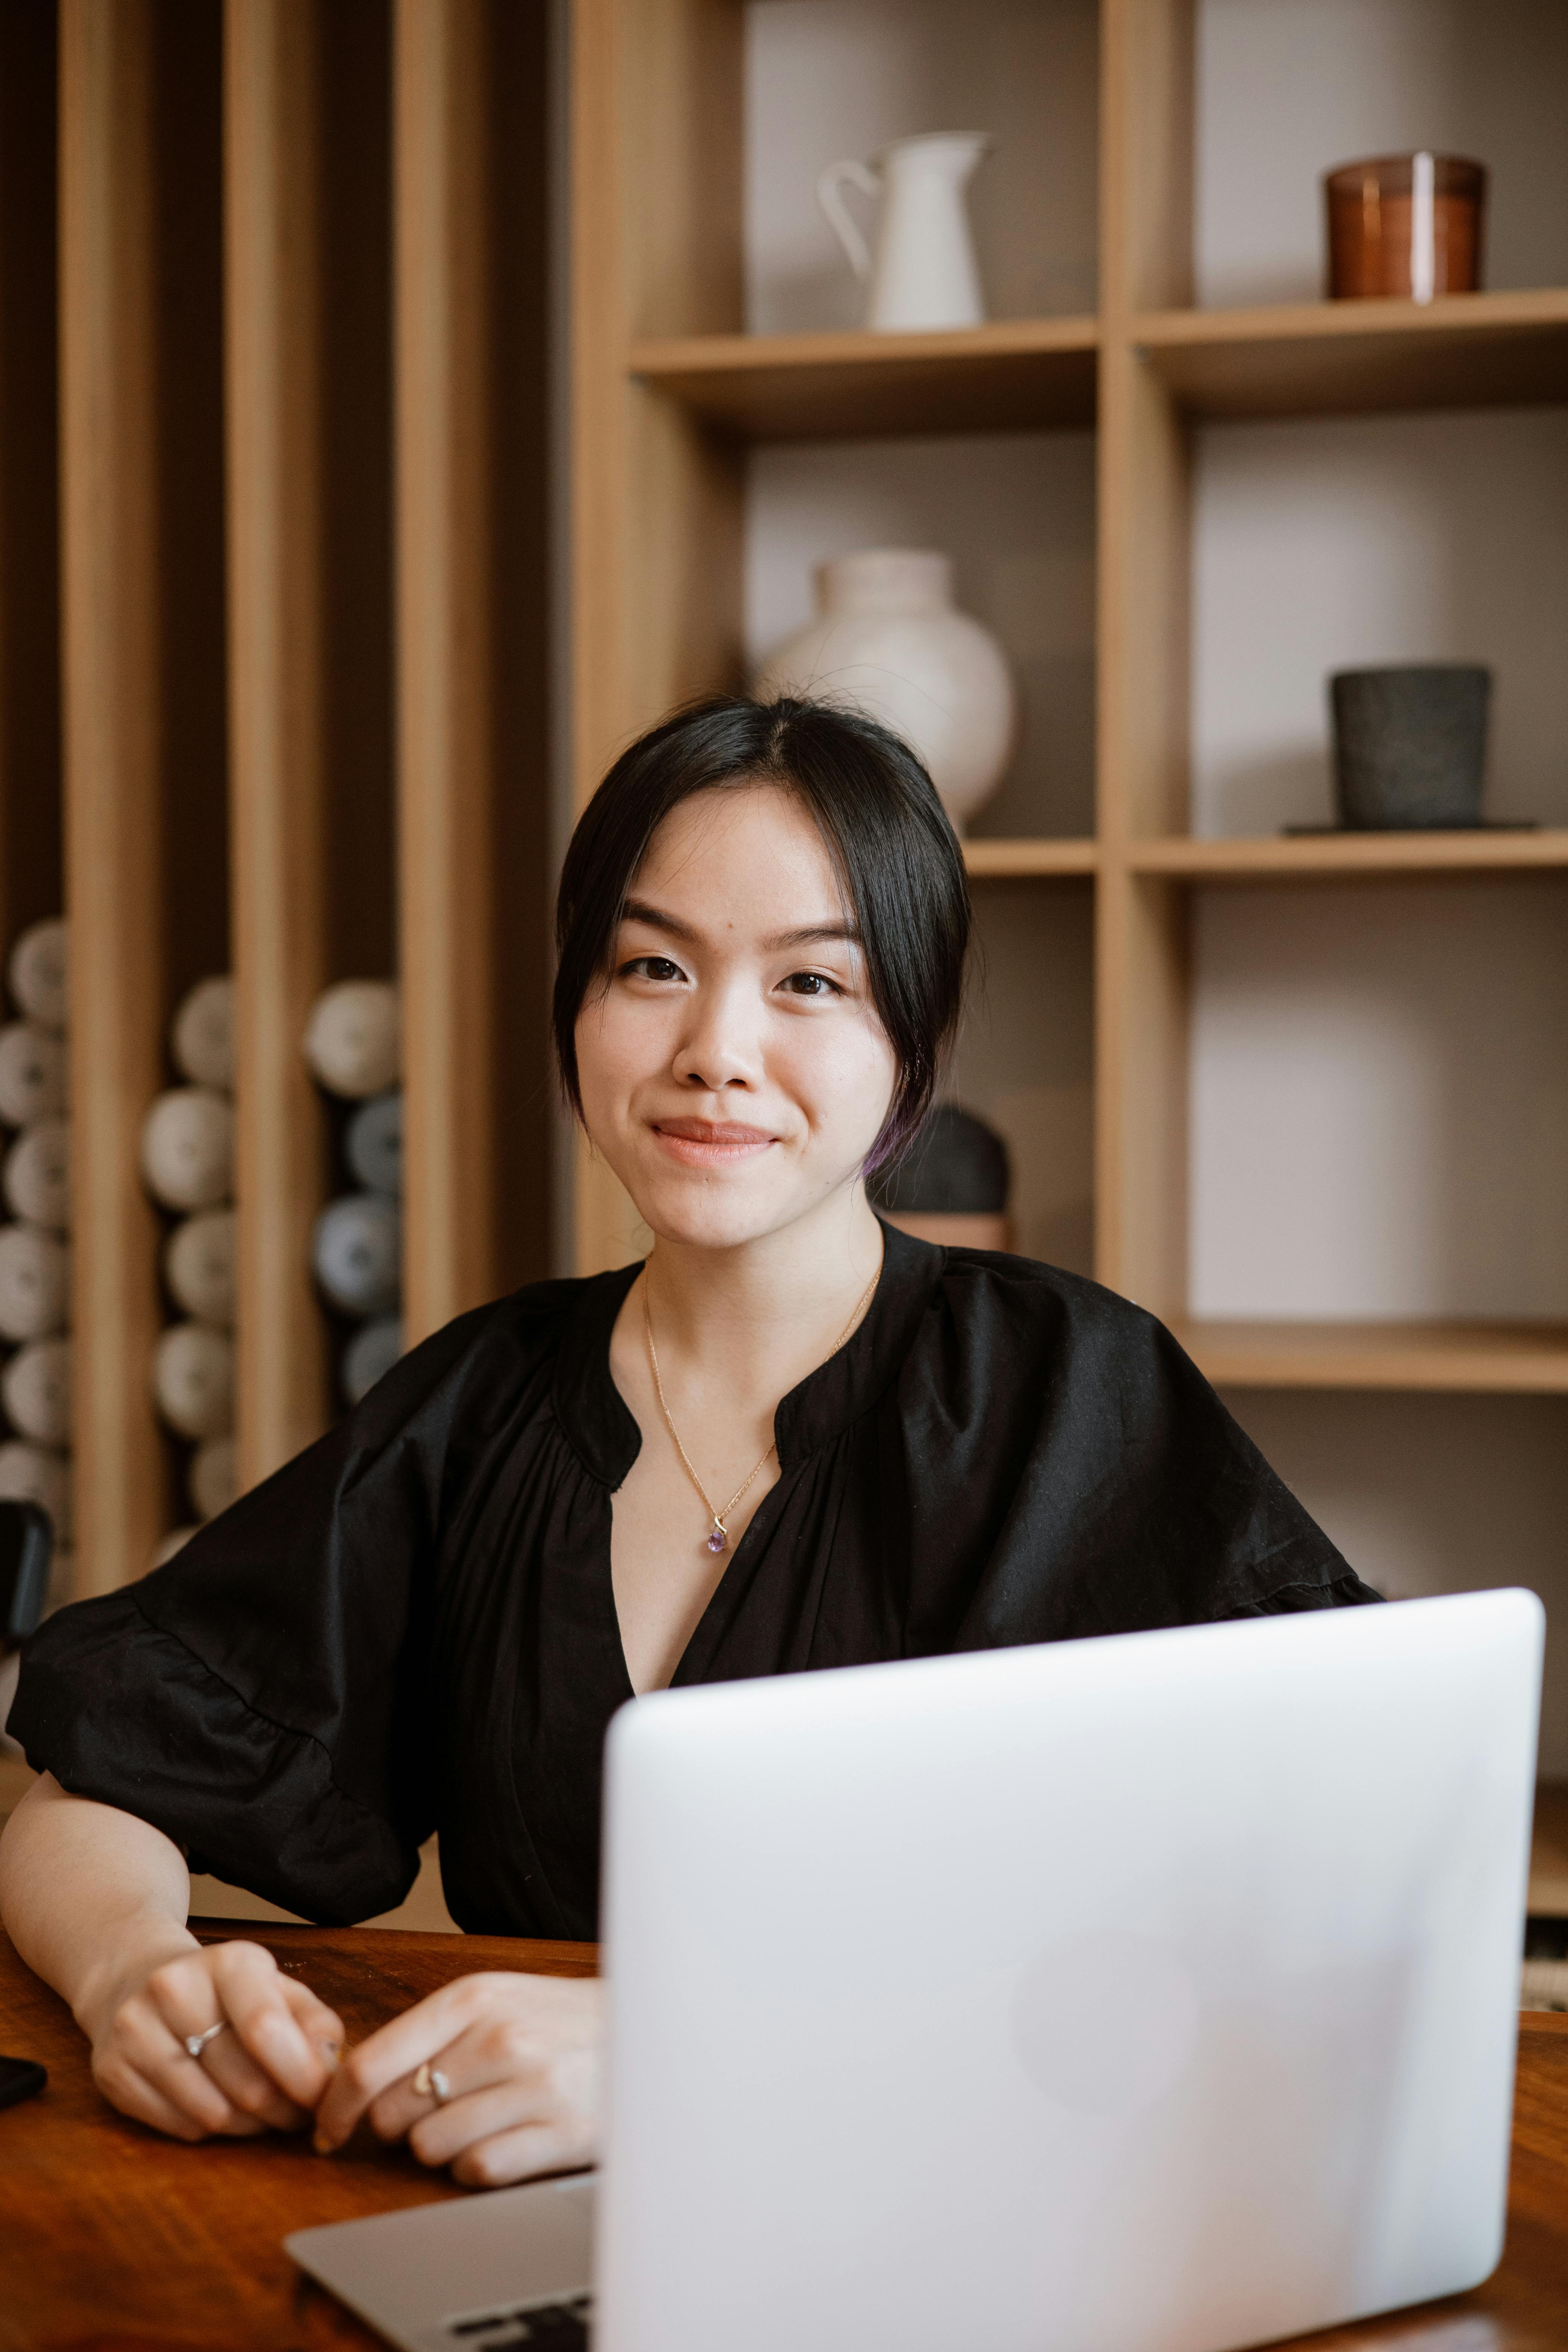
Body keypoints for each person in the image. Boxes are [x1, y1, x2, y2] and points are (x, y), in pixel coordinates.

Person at [0, 696, 1375, 2185]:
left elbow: (1302, 1902)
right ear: (575, 1007)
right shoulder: (487, 1401)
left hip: (967, 2209)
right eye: (651, 967)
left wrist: (686, 2065)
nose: (714, 1050)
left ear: (911, 1037)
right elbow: (97, 1786)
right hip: (523, 2227)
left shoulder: (1066, 1390)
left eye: (811, 984)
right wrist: (139, 1974)